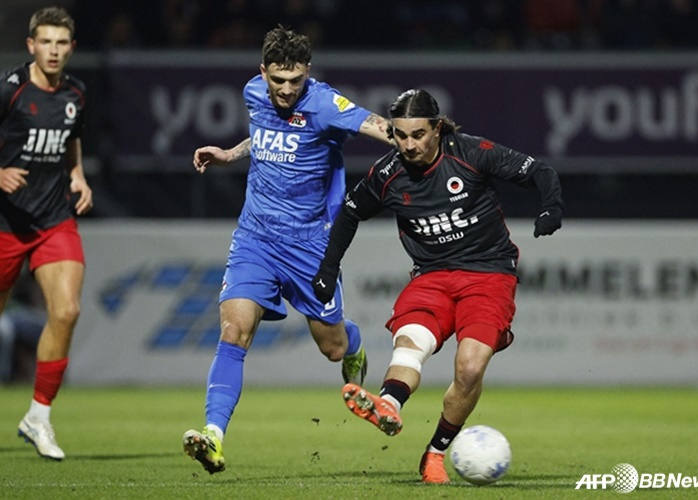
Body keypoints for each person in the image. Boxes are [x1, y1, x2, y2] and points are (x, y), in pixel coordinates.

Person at [312, 89, 563, 484]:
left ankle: (435, 453)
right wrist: (329, 268)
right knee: (411, 342)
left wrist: (551, 207)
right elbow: (350, 213)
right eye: (400, 135)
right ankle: (388, 404)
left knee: (470, 367)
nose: (408, 145)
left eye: (417, 135)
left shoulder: (471, 152)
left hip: (489, 274)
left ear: (438, 129)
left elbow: (539, 171)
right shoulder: (387, 173)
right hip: (431, 275)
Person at [182, 25, 391, 474]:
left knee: (332, 347)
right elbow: (264, 137)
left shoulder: (324, 104)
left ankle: (354, 346)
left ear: (307, 72)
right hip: (255, 237)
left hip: (311, 244)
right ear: (263, 73)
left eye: (296, 80)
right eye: (278, 80)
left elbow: (379, 127)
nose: (287, 90)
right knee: (234, 331)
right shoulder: (253, 94)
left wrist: (425, 143)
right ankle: (213, 435)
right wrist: (230, 154)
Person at [0, 6, 93, 461]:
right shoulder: (10, 91)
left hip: (54, 219)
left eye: (61, 43)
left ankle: (38, 416)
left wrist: (77, 174)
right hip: (5, 223)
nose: (53, 51)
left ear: (71, 47)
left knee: (67, 310)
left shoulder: (75, 92)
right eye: (45, 42)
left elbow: (72, 137)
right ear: (31, 45)